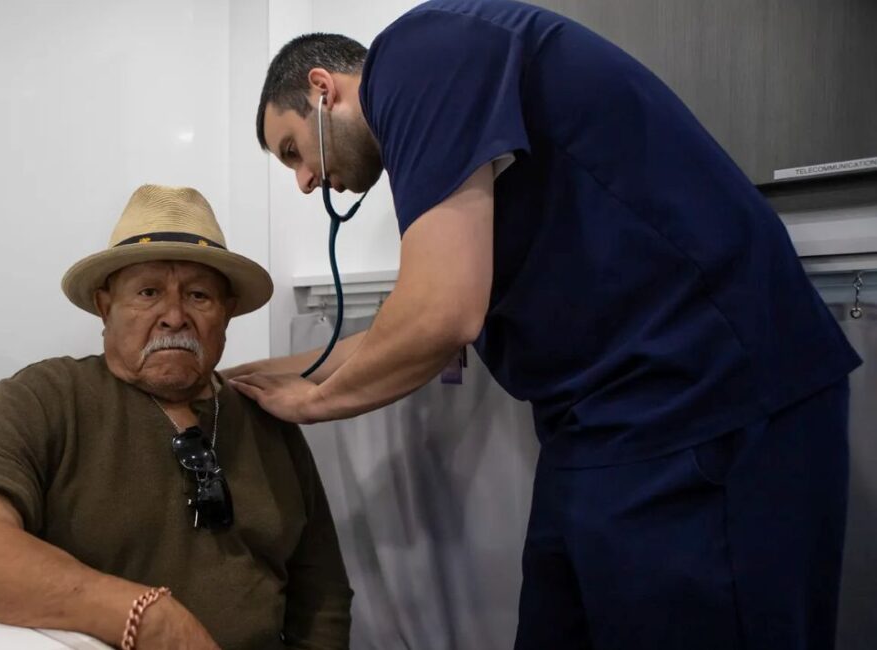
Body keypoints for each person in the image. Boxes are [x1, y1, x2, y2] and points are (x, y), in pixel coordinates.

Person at [229, 1, 862, 648]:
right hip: (601, 424)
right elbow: (408, 318)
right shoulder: (442, 133)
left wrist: (313, 401)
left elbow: (441, 315)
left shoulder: (417, 53)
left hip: (708, 396)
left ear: (321, 89)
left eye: (293, 152)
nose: (306, 182)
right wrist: (251, 378)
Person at [0, 184, 352, 650]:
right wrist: (149, 618)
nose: (174, 316)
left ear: (227, 313)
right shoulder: (48, 397)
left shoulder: (267, 417)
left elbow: (322, 598)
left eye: (199, 296)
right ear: (106, 307)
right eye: (148, 292)